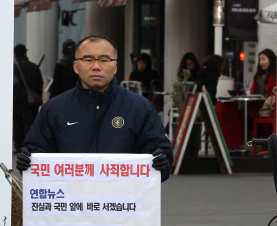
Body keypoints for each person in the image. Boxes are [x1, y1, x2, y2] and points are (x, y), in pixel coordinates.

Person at [16, 35, 173, 182]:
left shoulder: (140, 108)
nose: (96, 66)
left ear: (115, 67)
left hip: (122, 206)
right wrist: (28, 160)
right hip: (70, 206)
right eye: (88, 59)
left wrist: (161, 162)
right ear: (76, 66)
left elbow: (161, 156)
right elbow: (36, 151)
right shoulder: (54, 108)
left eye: (104, 60)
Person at [215, 48, 277, 148]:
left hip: (269, 106)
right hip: (258, 104)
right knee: (241, 113)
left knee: (248, 114)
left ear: (271, 59)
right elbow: (255, 92)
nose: (261, 62)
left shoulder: (276, 74)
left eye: (263, 59)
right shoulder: (259, 75)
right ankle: (243, 142)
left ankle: (251, 142)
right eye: (260, 59)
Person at [13, 44, 43, 153]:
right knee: (30, 123)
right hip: (31, 101)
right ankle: (29, 145)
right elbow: (40, 83)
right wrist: (38, 98)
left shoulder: (12, 67)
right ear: (25, 53)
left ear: (15, 54)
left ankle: (18, 146)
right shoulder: (34, 67)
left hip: (16, 100)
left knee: (17, 123)